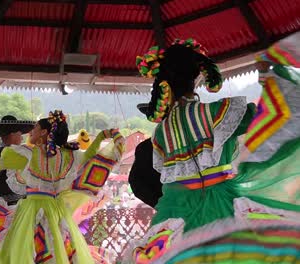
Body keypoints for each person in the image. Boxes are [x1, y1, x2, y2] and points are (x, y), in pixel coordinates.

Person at [126, 38, 300, 263]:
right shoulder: (220, 111)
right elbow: (269, 120)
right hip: (221, 204)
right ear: (197, 76)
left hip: (175, 210)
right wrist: (271, 78)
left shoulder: (161, 131)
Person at [0, 110, 124, 263]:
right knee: (57, 247)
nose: (31, 131)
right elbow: (90, 155)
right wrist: (103, 136)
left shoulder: (29, 154)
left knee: (23, 250)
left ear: (45, 133)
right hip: (55, 210)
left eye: (36, 128)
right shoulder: (68, 156)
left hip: (32, 209)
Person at [0, 115, 35, 205]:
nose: (21, 138)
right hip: (17, 205)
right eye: (19, 134)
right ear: (11, 135)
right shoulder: (22, 154)